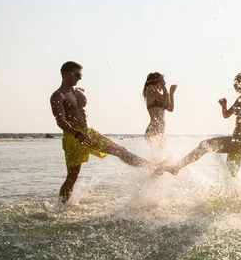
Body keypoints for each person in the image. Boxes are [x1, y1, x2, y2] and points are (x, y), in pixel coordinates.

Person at [50, 61, 161, 203]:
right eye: (76, 74)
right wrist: (77, 134)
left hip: (89, 132)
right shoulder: (57, 95)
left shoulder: (80, 91)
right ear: (65, 73)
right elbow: (60, 121)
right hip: (73, 137)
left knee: (120, 150)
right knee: (72, 176)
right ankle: (61, 208)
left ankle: (153, 166)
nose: (79, 78)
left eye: (81, 75)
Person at [162, 71, 241, 176]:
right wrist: (223, 106)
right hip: (236, 141)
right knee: (231, 173)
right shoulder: (240, 100)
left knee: (204, 145)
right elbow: (226, 115)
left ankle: (177, 167)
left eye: (238, 82)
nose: (236, 85)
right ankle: (235, 193)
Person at [143, 72, 177, 148]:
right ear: (158, 81)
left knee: (158, 156)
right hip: (154, 128)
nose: (164, 83)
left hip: (159, 129)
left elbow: (171, 108)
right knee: (157, 154)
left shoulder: (159, 95)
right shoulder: (151, 88)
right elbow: (165, 100)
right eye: (163, 81)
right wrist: (164, 85)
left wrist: (171, 94)